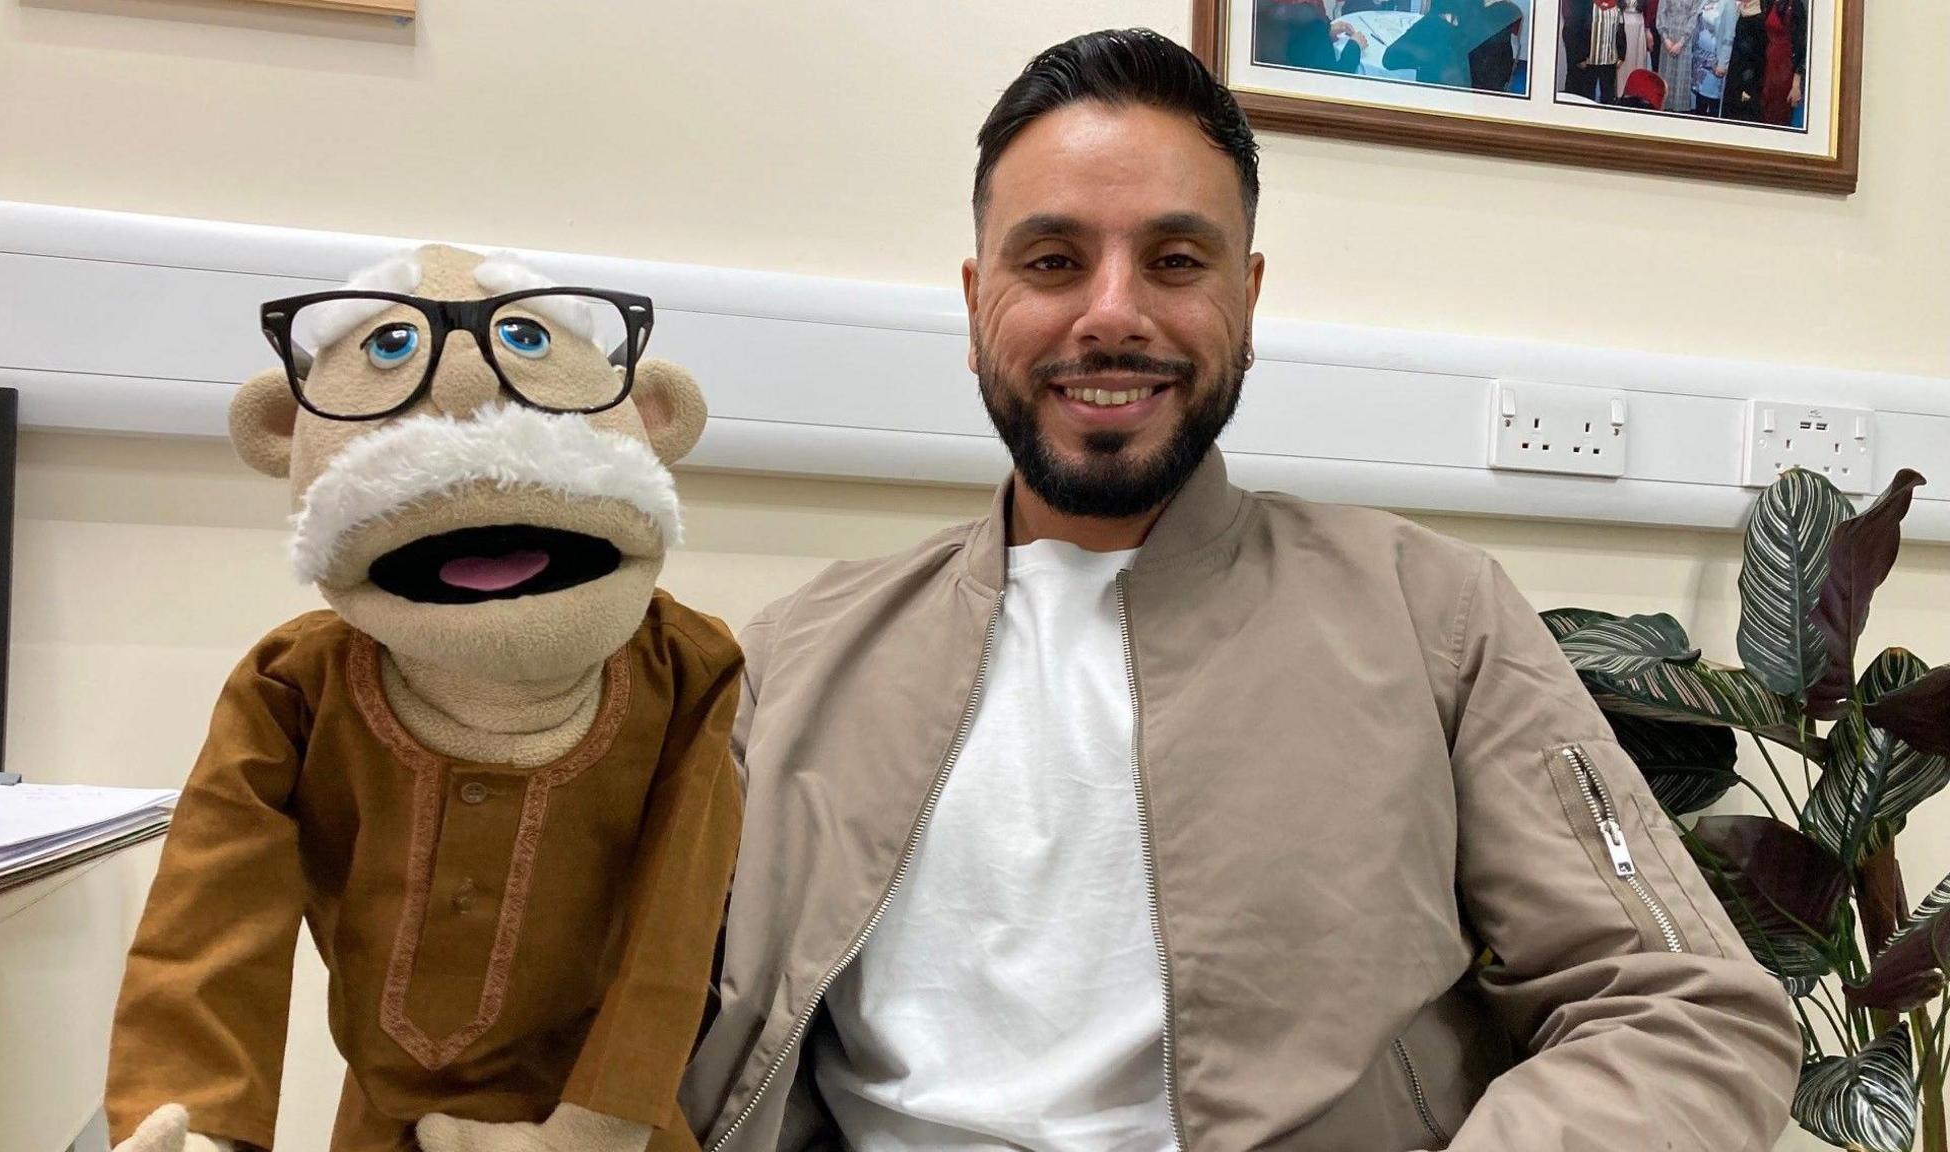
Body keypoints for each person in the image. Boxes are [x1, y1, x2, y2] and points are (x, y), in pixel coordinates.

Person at [680, 26, 1801, 1152]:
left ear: (1246, 299)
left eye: (1174, 262)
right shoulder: (793, 659)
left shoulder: (1430, 619)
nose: (1111, 314)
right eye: (1052, 261)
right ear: (977, 305)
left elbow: (1682, 1015)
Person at [1656, 0, 1703, 111]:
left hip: (1684, 44)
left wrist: (1681, 42)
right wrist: (1665, 39)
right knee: (1665, 81)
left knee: (1681, 82)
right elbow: (1661, 13)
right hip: (1667, 41)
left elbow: (1694, 18)